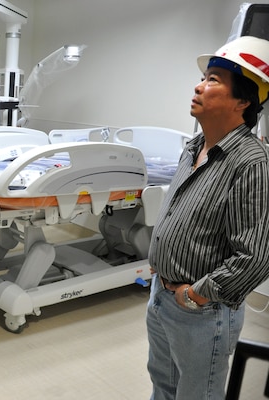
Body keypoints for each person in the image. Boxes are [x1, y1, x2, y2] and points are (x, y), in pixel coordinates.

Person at [147, 35, 269, 400]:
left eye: (214, 79)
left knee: (197, 394)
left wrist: (194, 295)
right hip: (161, 295)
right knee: (163, 385)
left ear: (243, 100)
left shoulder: (251, 163)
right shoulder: (192, 148)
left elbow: (255, 257)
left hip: (201, 312)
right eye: (204, 77)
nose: (199, 86)